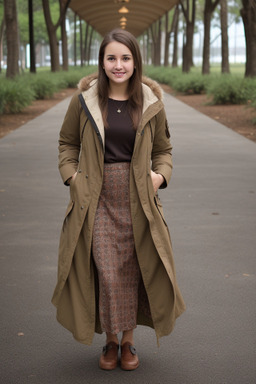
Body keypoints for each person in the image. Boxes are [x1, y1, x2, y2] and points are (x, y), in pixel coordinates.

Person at [52, 28, 185, 371]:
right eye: (111, 58)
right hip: (95, 198)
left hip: (139, 199)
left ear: (135, 61)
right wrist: (73, 178)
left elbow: (164, 150)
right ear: (102, 62)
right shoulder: (84, 101)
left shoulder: (151, 103)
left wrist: (159, 176)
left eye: (125, 58)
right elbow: (67, 144)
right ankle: (109, 339)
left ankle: (127, 343)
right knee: (107, 273)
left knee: (133, 270)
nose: (118, 65)